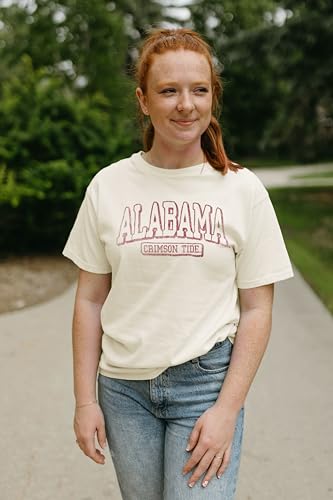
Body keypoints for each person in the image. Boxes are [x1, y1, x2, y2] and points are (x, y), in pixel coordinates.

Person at [62, 28, 294, 500]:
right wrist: (85, 401)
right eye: (169, 91)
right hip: (124, 391)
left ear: (213, 98)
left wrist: (227, 410)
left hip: (205, 386)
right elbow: (88, 300)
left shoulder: (241, 190)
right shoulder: (108, 186)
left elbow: (257, 309)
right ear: (144, 101)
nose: (186, 104)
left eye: (199, 90)